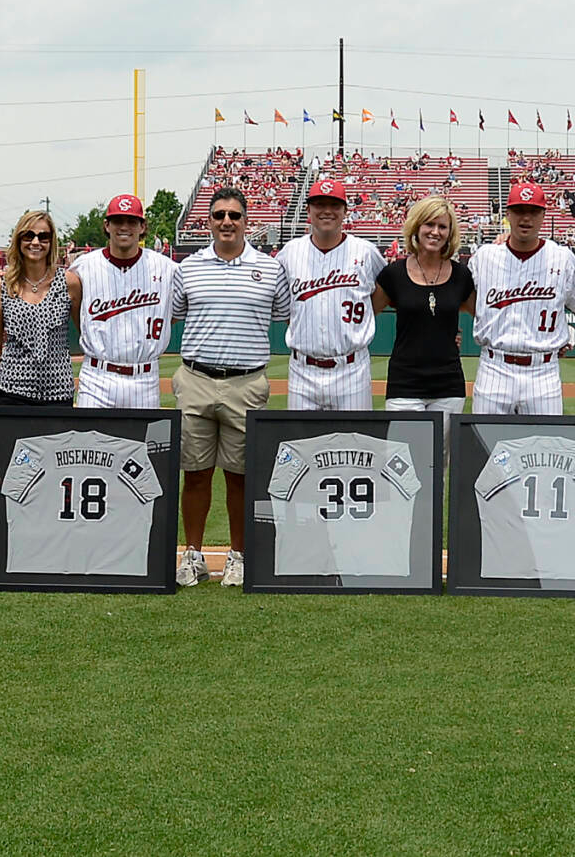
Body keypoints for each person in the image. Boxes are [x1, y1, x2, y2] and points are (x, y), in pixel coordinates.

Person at [169, 186, 288, 586]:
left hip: (246, 381)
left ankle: (238, 555)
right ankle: (194, 554)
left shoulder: (270, 268)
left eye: (234, 215)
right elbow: (178, 312)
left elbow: (282, 313)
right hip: (197, 377)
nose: (226, 222)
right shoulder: (189, 267)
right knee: (196, 472)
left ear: (246, 221)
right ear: (208, 222)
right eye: (219, 215)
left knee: (240, 474)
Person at [465, 183, 575, 414]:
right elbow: (463, 298)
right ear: (508, 215)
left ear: (543, 215)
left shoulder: (562, 258)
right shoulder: (484, 257)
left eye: (533, 211)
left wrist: (569, 337)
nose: (526, 218)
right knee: (485, 446)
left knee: (544, 446)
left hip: (543, 371)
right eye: (519, 210)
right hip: (495, 367)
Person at [272, 179, 383, 410]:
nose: (327, 211)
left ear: (345, 211)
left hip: (352, 368)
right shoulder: (290, 253)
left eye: (334, 205)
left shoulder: (366, 252)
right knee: (303, 443)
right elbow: (283, 305)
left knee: (353, 444)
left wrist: (366, 316)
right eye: (319, 204)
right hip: (302, 368)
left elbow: (391, 290)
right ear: (308, 211)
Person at [67, 193, 178, 409]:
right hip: (97, 376)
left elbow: (174, 313)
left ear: (142, 226)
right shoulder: (84, 266)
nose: (124, 227)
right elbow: (75, 309)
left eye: (131, 221)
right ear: (107, 225)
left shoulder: (167, 268)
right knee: (91, 442)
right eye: (118, 221)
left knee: (143, 443)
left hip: (144, 377)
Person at [373, 196, 475, 414]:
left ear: (450, 233)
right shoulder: (394, 274)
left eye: (442, 226)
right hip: (405, 383)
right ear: (416, 227)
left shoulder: (462, 275)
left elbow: (486, 317)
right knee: (407, 448)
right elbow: (366, 314)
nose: (435, 232)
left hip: (449, 383)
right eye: (429, 224)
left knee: (445, 449)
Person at [0, 210, 76, 413]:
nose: (36, 242)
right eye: (28, 235)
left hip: (58, 391)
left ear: (52, 241)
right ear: (19, 240)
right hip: (12, 390)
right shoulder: (2, 285)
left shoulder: (69, 282)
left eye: (43, 236)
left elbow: (85, 330)